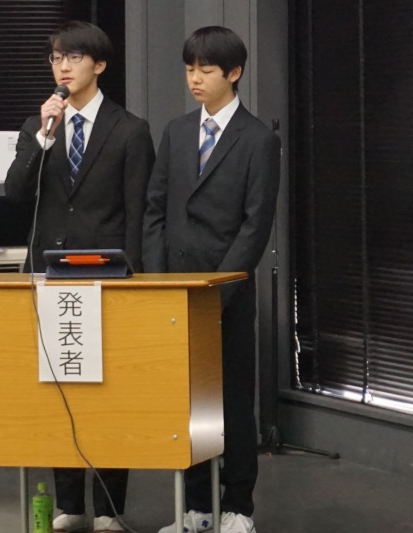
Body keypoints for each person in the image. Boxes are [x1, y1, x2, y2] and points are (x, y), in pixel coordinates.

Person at [5, 20, 155, 533]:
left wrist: (134, 276)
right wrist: (43, 138)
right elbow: (16, 193)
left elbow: (138, 211)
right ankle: (69, 503)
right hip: (50, 274)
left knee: (108, 390)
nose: (63, 67)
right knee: (59, 384)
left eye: (73, 57)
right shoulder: (39, 125)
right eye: (56, 58)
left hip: (108, 277)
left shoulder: (130, 129)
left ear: (100, 65)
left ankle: (110, 507)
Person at [145, 27, 280, 533]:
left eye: (205, 69)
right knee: (187, 404)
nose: (194, 78)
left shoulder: (258, 139)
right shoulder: (177, 131)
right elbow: (155, 209)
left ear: (234, 73)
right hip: (174, 290)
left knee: (232, 402)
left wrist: (219, 290)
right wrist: (159, 282)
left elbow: (255, 224)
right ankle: (197, 507)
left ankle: (238, 507)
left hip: (227, 292)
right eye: (189, 69)